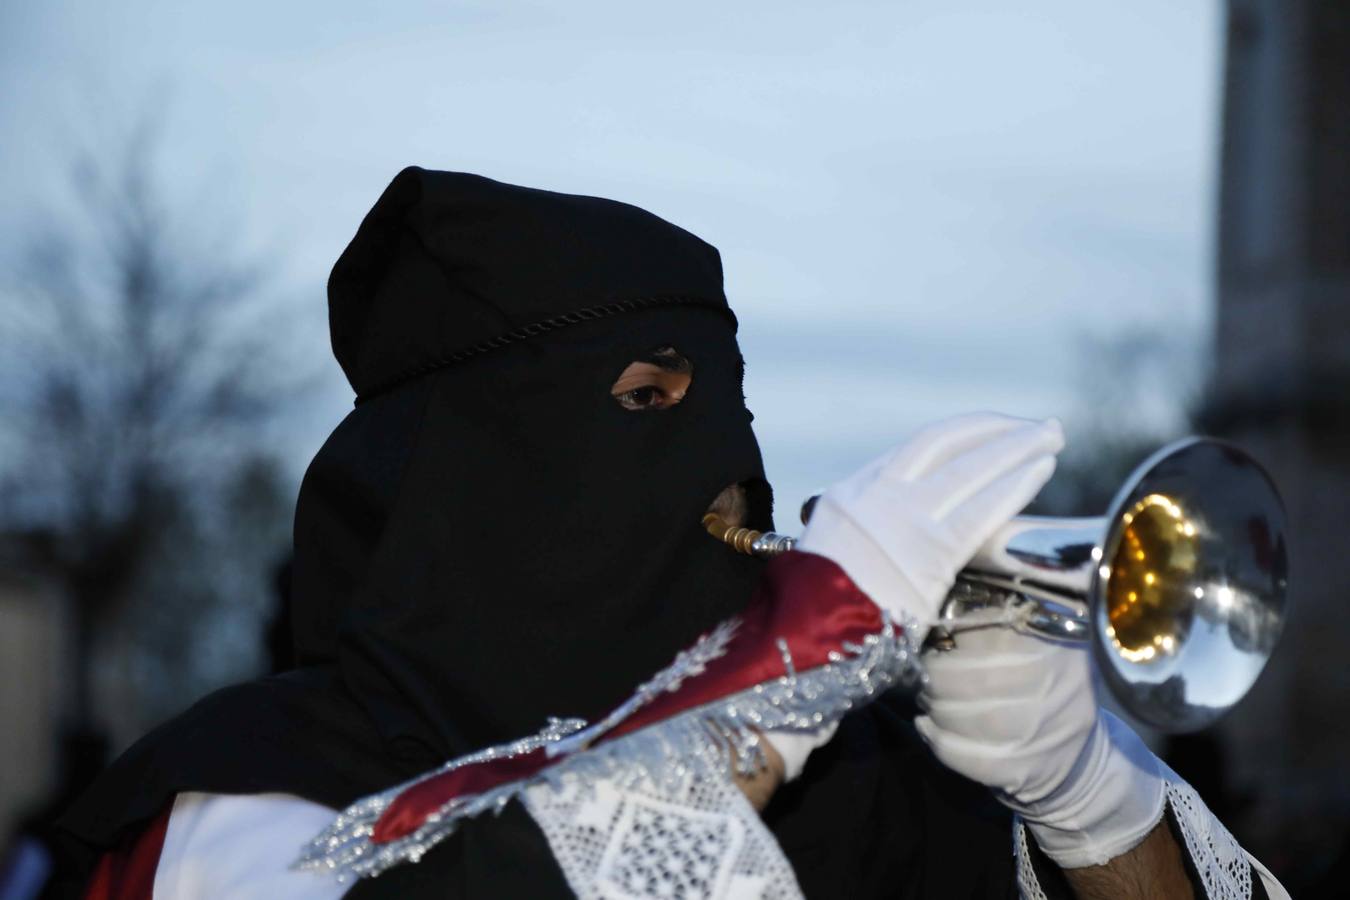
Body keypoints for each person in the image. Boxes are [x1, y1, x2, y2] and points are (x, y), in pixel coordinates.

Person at [54, 168, 1286, 899]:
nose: (722, 473)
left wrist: (1090, 802)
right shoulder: (242, 793)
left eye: (731, 413)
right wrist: (799, 662)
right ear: (473, 471)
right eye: (644, 406)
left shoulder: (865, 781)